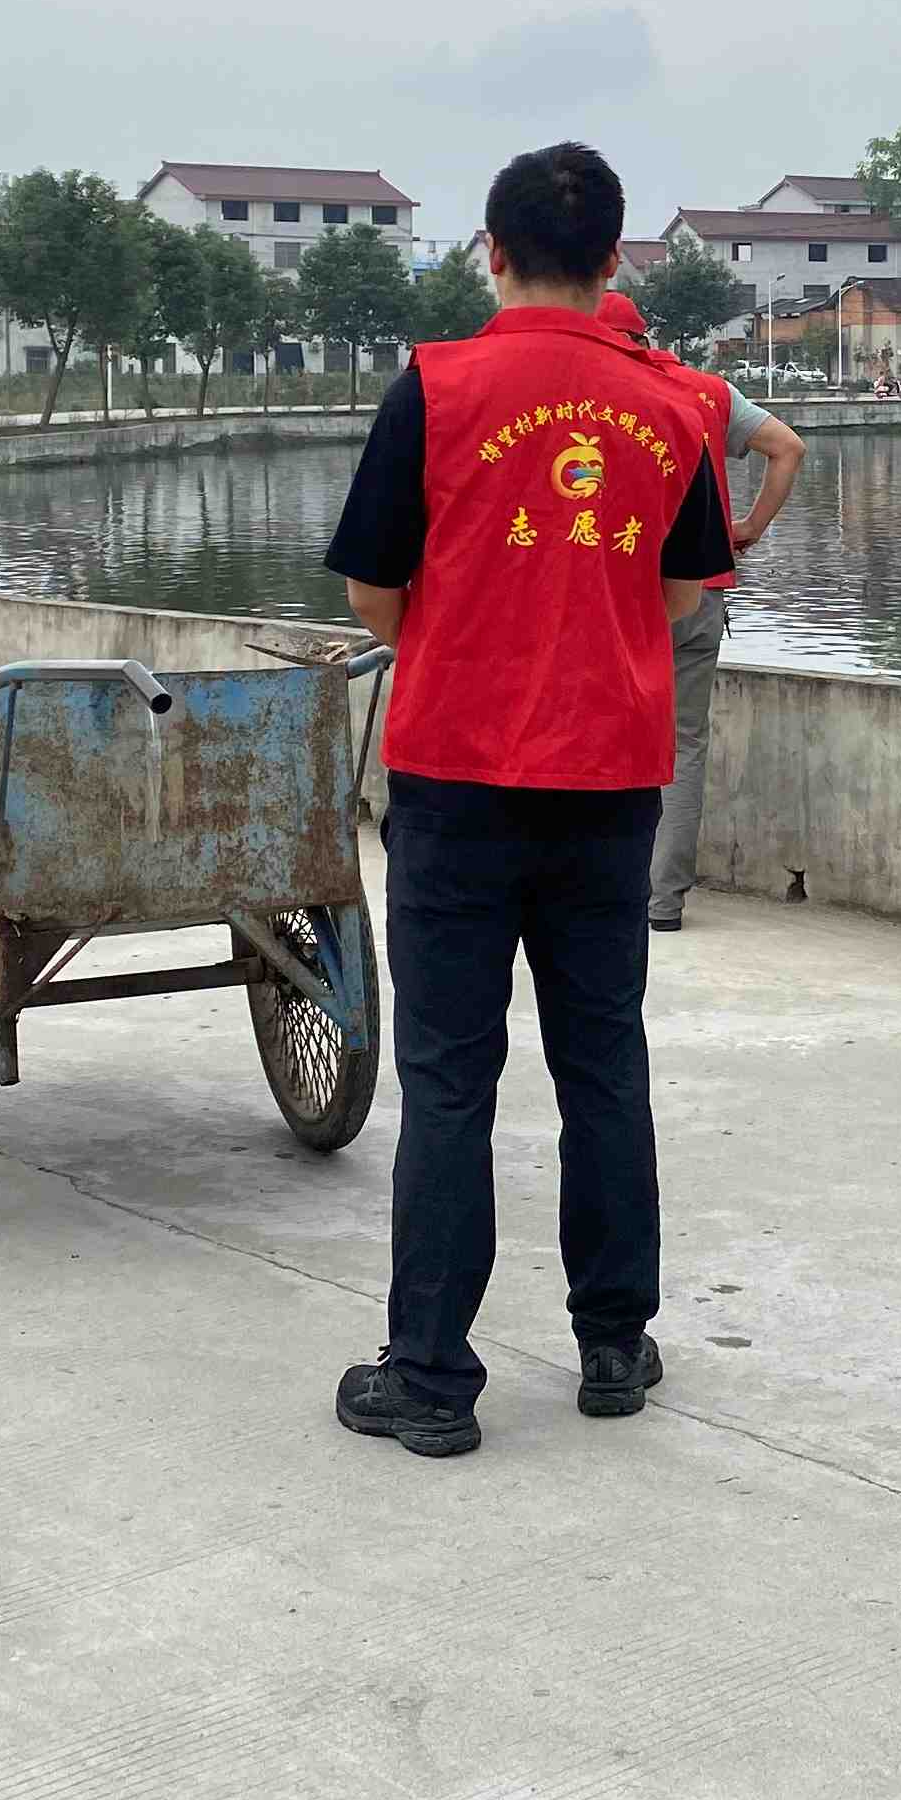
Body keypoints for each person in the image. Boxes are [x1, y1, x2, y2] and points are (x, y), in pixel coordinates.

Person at [321, 144, 735, 1458]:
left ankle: (432, 1380)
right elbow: (684, 593)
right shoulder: (672, 404)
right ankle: (614, 1344)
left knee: (451, 1076)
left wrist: (466, 636)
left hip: (456, 779)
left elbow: (372, 589)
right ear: (614, 259)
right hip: (610, 785)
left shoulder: (435, 388)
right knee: (602, 1060)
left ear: (490, 254)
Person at [596, 288, 806, 935]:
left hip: (614, 596)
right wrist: (750, 528)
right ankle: (663, 903)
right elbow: (789, 447)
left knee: (605, 736)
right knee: (683, 745)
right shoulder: (709, 392)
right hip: (701, 591)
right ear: (645, 336)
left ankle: (604, 891)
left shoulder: (590, 393)